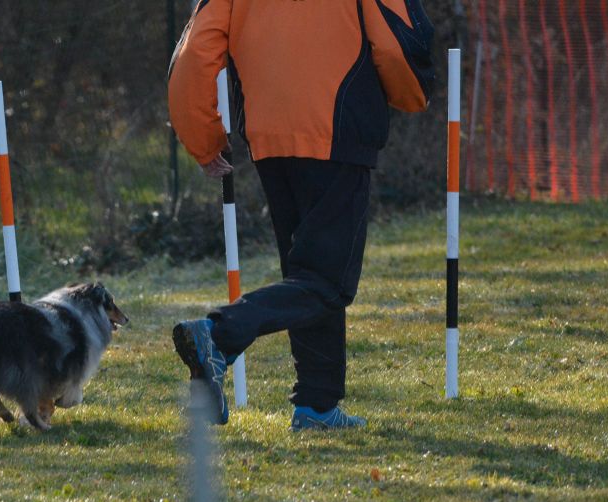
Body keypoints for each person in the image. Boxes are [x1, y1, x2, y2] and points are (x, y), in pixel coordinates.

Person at [168, 0, 436, 430]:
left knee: (307, 273)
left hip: (269, 133)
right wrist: (413, 93)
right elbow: (392, 44)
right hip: (338, 126)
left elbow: (196, 51)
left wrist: (204, 136)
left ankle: (316, 404)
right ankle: (217, 336)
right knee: (327, 281)